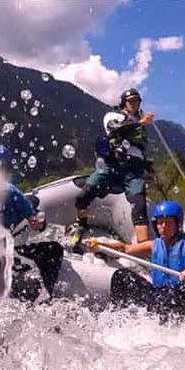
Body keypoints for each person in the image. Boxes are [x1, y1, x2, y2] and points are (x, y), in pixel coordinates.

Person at [0, 144, 64, 302]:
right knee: (54, 250)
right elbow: (37, 225)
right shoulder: (10, 191)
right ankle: (46, 297)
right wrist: (39, 220)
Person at [84, 200, 185, 319]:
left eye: (168, 223)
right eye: (160, 222)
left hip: (183, 293)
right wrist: (101, 246)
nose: (163, 226)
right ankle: (120, 317)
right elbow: (125, 249)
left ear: (177, 224)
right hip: (160, 295)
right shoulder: (154, 244)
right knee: (121, 276)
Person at [67, 88, 156, 250]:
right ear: (123, 103)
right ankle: (81, 224)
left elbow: (139, 151)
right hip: (112, 165)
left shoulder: (141, 127)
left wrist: (150, 169)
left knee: (139, 205)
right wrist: (141, 122)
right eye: (131, 101)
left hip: (134, 170)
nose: (134, 104)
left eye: (137, 101)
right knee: (82, 196)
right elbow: (116, 128)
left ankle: (144, 248)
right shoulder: (113, 116)